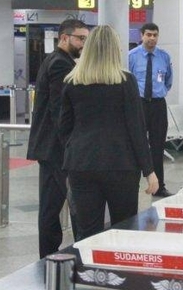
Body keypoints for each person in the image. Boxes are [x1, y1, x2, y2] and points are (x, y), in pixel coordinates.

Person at [59, 25, 159, 240]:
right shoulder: (125, 81)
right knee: (124, 230)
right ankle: (120, 273)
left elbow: (64, 128)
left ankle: (87, 272)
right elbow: (137, 129)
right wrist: (149, 170)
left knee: (86, 232)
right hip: (121, 164)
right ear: (115, 49)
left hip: (82, 164)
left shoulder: (72, 81)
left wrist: (77, 148)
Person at [26, 19, 88, 258]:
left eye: (85, 39)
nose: (83, 43)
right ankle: (50, 257)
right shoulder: (60, 65)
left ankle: (49, 255)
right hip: (56, 149)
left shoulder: (56, 60)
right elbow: (59, 110)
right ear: (64, 38)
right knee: (58, 206)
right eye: (80, 38)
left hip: (50, 147)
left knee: (51, 205)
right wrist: (71, 146)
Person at [128, 23, 174, 198]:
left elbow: (168, 81)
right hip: (137, 104)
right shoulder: (131, 56)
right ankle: (132, 184)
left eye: (155, 35)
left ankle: (159, 186)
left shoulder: (164, 56)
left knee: (158, 146)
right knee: (135, 144)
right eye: (148, 34)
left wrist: (159, 92)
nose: (152, 38)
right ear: (141, 35)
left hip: (157, 104)